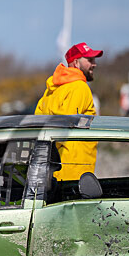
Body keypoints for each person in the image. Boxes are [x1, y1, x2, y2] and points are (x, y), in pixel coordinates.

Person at [35, 42, 103, 181]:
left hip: (52, 171)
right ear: (76, 63)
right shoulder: (80, 88)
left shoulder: (51, 89)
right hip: (75, 172)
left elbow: (37, 120)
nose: (94, 64)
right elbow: (67, 126)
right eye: (89, 60)